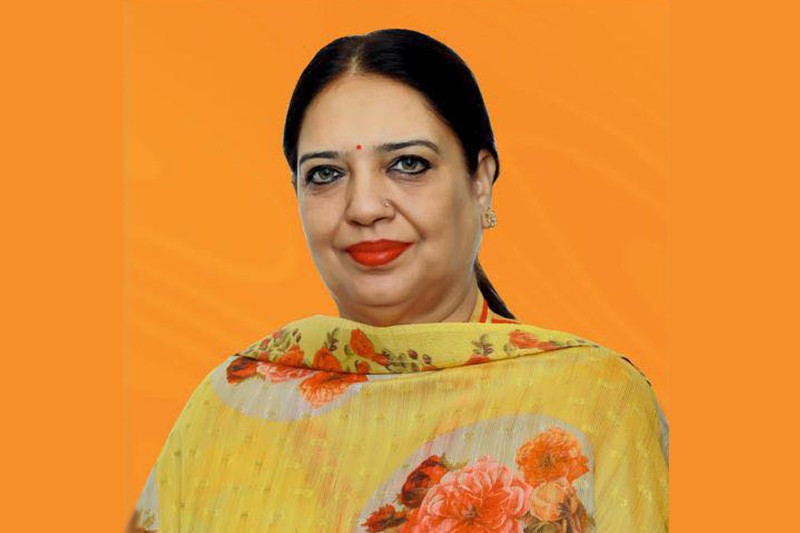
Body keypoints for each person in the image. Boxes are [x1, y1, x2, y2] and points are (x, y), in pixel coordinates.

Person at [128, 28, 668, 532]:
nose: (364, 207)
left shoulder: (593, 403)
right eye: (325, 174)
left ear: (480, 182)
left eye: (408, 164)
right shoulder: (231, 407)